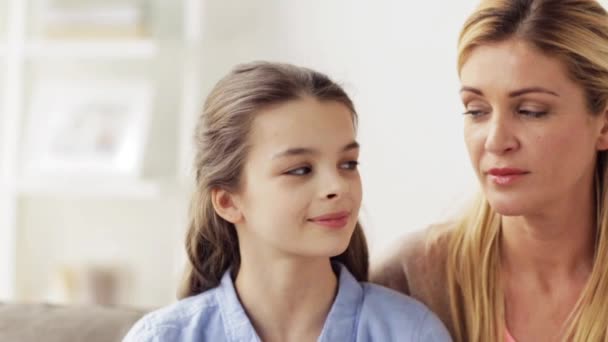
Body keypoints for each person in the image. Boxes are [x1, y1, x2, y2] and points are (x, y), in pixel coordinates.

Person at [123, 61, 451, 342]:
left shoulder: (409, 333)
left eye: (348, 164)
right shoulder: (163, 337)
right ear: (227, 201)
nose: (337, 186)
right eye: (300, 170)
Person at [372, 1, 608, 341]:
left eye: (530, 111)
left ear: (603, 124)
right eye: (476, 110)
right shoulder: (406, 281)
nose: (496, 141)